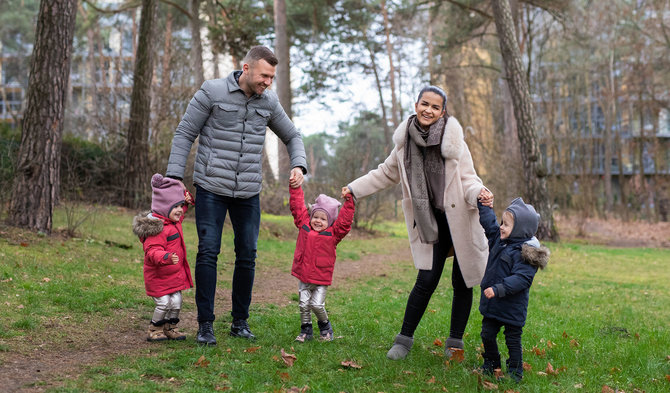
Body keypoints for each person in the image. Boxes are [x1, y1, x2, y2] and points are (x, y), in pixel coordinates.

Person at [166, 46, 308, 345]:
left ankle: (240, 322)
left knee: (248, 256)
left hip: (247, 192)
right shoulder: (212, 91)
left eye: (272, 77)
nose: (268, 82)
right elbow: (185, 133)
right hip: (211, 187)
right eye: (264, 75)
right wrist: (175, 178)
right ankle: (205, 325)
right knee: (208, 252)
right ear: (246, 68)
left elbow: (292, 135)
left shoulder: (268, 101)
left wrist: (298, 164)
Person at [341, 85, 490, 360]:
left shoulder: (454, 142)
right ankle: (403, 340)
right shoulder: (404, 143)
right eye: (425, 104)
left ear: (442, 112)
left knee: (463, 281)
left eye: (435, 107)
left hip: (460, 219)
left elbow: (468, 179)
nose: (428, 110)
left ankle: (455, 343)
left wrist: (478, 193)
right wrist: (354, 188)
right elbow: (385, 173)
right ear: (416, 104)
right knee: (426, 280)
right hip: (430, 222)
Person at [476, 191, 549, 381]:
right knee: (487, 334)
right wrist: (485, 207)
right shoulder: (500, 241)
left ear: (520, 229)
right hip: (493, 304)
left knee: (513, 341)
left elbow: (522, 279)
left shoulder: (526, 255)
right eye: (502, 222)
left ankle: (515, 373)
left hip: (511, 308)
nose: (501, 227)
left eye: (506, 225)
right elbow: (490, 225)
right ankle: (491, 363)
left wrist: (499, 289)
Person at [289, 182, 355, 342]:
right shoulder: (304, 226)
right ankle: (306, 331)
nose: (318, 221)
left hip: (321, 277)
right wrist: (295, 188)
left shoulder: (333, 234)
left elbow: (344, 223)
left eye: (323, 219)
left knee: (317, 305)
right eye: (316, 217)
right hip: (304, 276)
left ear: (330, 221)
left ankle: (325, 328)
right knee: (304, 305)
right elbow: (298, 207)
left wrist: (349, 201)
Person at [132, 174, 195, 342]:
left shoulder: (173, 221)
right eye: (176, 206)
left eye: (181, 205)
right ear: (164, 208)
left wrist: (187, 201)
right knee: (164, 303)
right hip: (159, 276)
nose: (180, 210)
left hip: (173, 275)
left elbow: (181, 212)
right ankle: (155, 329)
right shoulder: (156, 229)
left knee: (177, 301)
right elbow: (152, 252)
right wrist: (166, 256)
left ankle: (170, 328)